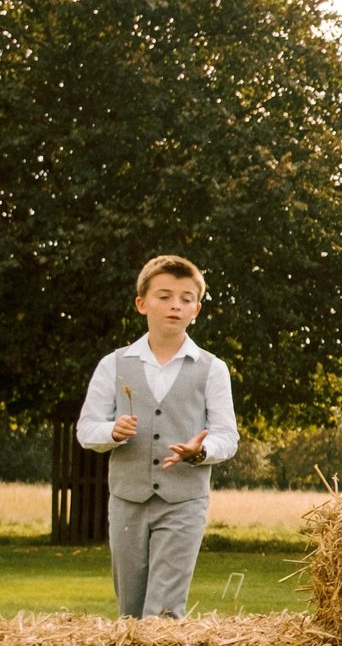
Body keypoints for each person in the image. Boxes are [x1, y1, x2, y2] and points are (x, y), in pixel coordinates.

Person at [77, 255, 239, 619]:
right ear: (141, 303)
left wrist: (201, 451)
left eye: (185, 298)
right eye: (164, 296)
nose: (175, 305)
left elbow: (227, 436)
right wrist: (112, 432)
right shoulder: (114, 364)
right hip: (126, 500)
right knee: (130, 612)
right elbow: (87, 429)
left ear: (196, 309)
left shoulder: (213, 369)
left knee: (163, 612)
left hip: (184, 501)